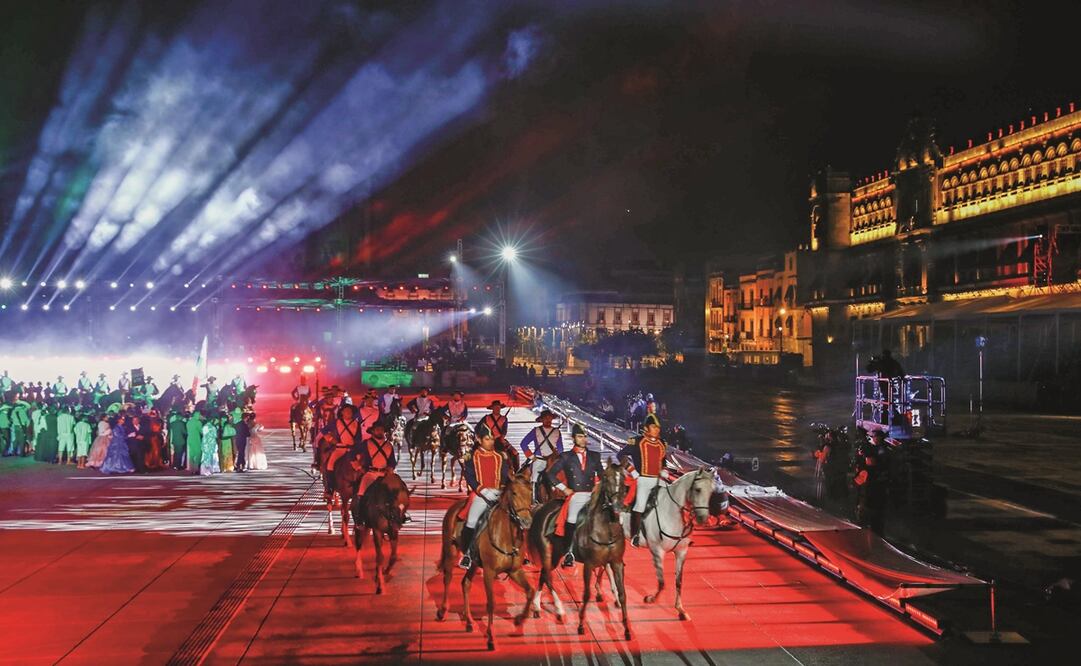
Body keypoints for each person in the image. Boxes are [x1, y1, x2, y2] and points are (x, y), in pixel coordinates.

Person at [546, 423, 603, 567]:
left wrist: (598, 484)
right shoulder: (566, 457)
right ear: (573, 438)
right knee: (571, 519)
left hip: (593, 495)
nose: (583, 439)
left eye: (585, 436)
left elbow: (602, 475)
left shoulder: (595, 456)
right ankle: (569, 552)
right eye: (580, 436)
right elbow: (551, 474)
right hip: (576, 495)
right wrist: (564, 489)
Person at [458, 424, 511, 570]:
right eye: (487, 439)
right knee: (472, 521)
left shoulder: (500, 456)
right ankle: (468, 554)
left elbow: (504, 475)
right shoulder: (471, 457)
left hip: (498, 494)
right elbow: (470, 476)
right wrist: (483, 491)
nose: (491, 442)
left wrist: (501, 489)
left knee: (517, 517)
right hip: (481, 494)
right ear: (479, 440)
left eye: (492, 439)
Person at [617, 413, 670, 547]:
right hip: (642, 479)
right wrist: (631, 470)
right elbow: (620, 455)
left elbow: (663, 459)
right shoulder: (637, 441)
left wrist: (664, 469)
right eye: (653, 427)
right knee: (639, 505)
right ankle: (635, 535)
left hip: (658, 479)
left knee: (671, 498)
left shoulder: (662, 443)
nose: (656, 430)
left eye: (658, 427)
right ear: (646, 428)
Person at [520, 409, 563, 502]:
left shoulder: (557, 432)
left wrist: (557, 457)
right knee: (535, 478)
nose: (548, 420)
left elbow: (560, 449)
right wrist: (531, 456)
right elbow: (523, 444)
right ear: (542, 419)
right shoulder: (536, 431)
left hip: (554, 460)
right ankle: (534, 499)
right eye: (545, 418)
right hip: (539, 459)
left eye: (550, 418)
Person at [353, 421, 396, 514]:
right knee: (362, 492)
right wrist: (359, 467)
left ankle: (397, 515)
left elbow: (392, 462)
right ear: (373, 431)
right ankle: (360, 515)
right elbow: (352, 453)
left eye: (382, 430)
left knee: (396, 492)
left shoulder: (389, 445)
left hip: (385, 475)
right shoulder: (366, 443)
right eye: (377, 430)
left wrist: (390, 468)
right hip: (370, 474)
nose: (380, 432)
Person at [325, 403, 360, 472]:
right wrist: (331, 439)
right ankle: (330, 479)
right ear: (342, 412)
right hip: (340, 449)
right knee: (330, 465)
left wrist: (356, 446)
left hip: (353, 449)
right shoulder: (336, 422)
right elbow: (324, 430)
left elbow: (359, 437)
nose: (349, 412)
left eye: (350, 411)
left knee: (360, 466)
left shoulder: (357, 423)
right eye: (346, 410)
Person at [186, 410, 204, 474]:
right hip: (196, 439)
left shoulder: (189, 422)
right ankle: (196, 469)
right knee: (198, 453)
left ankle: (191, 469)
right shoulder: (198, 422)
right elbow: (201, 431)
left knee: (191, 455)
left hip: (189, 439)